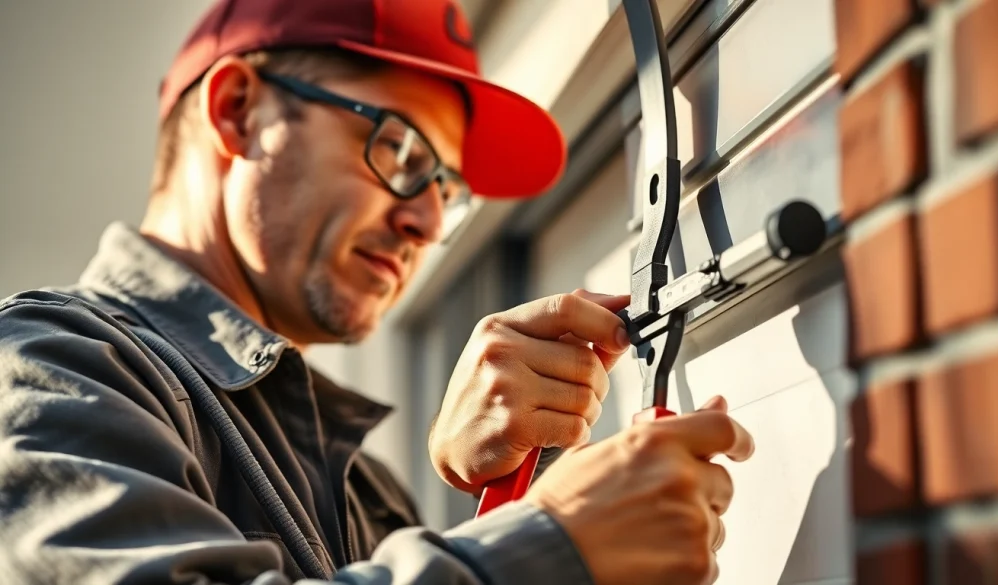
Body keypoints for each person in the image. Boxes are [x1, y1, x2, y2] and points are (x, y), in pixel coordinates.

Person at [0, 0, 755, 583]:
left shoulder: (367, 486)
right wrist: (553, 541)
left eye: (445, 187)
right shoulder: (44, 366)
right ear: (237, 110)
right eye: (399, 148)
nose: (428, 220)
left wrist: (504, 502)